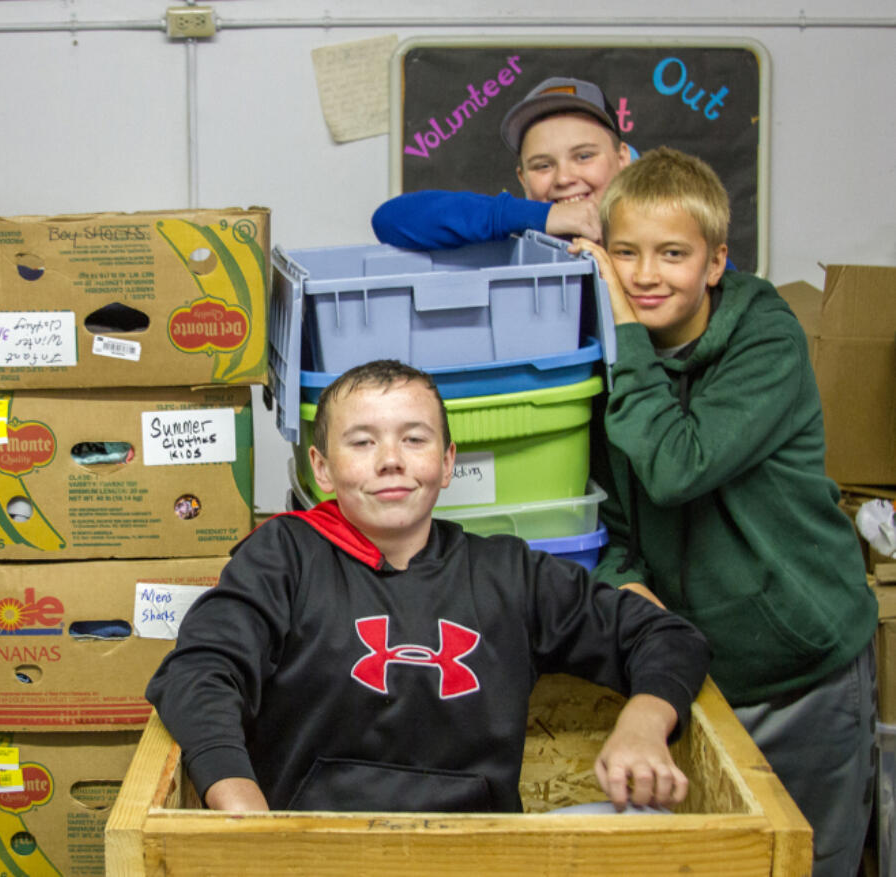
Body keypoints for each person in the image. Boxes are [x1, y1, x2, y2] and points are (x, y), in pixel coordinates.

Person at [145, 359, 710, 813]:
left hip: (477, 855)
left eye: (414, 440)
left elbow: (665, 636)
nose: (391, 461)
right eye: (362, 442)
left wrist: (643, 724)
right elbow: (200, 670)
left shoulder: (509, 572)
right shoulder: (284, 556)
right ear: (321, 468)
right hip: (310, 851)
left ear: (446, 462)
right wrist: (237, 797)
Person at [570, 147, 877, 877]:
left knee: (811, 861)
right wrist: (628, 590)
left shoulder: (766, 337)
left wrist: (629, 342)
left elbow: (679, 466)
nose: (645, 275)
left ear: (714, 263)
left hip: (804, 664)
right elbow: (608, 510)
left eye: (673, 253)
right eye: (625, 253)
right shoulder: (598, 355)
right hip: (693, 674)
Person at [372, 76, 631, 249]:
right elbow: (389, 220)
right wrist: (542, 216)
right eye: (542, 165)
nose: (564, 178)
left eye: (584, 156)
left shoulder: (661, 228)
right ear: (522, 179)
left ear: (622, 159)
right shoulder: (514, 239)